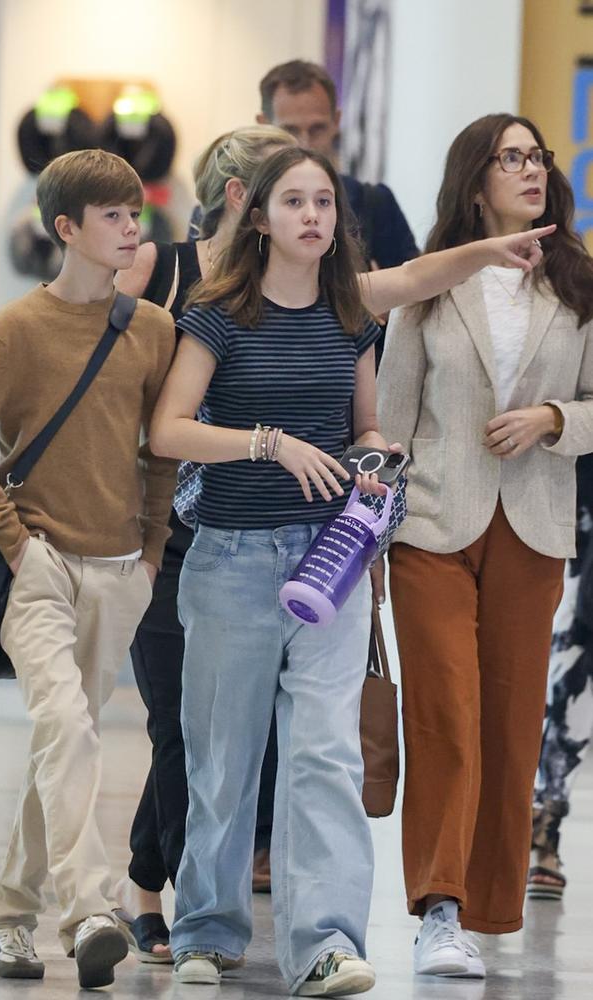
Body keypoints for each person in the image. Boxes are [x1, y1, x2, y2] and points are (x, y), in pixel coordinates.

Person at [149, 143, 549, 996]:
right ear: (257, 217)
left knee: (324, 755)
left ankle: (324, 942)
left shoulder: (349, 315)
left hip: (327, 563)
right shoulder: (219, 314)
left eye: (324, 203)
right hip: (229, 561)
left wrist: (376, 454)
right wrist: (269, 444)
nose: (313, 217)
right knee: (223, 758)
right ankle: (208, 931)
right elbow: (169, 431)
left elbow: (369, 408)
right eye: (293, 202)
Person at [0, 149, 177, 989]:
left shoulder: (150, 329)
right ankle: (89, 911)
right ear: (66, 228)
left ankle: (9, 920)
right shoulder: (15, 330)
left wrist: (150, 555)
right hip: (36, 567)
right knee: (69, 730)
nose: (131, 228)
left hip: (121, 573)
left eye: (136, 212)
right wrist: (14, 542)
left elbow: (160, 454)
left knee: (60, 748)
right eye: (113, 216)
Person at [376, 113, 593, 979]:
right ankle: (439, 908)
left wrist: (552, 420)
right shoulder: (432, 284)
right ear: (476, 184)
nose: (530, 169)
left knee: (509, 725)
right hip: (432, 523)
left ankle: (490, 906)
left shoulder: (578, 284)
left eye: (536, 156)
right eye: (511, 159)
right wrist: (369, 526)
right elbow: (391, 415)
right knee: (446, 718)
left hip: (533, 527)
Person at [113, 124, 296, 960]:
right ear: (238, 198)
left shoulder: (288, 284)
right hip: (161, 528)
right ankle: (161, 893)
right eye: (282, 192)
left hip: (245, 532)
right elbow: (112, 382)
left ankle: (163, 889)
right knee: (175, 724)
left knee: (217, 724)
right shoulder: (165, 269)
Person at [256, 58, 419, 269]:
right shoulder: (236, 207)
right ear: (263, 126)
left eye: (317, 129)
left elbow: (416, 295)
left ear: (336, 121)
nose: (304, 144)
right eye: (290, 131)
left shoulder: (375, 205)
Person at [529, 453, 593, 900]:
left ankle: (545, 818)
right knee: (566, 653)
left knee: (579, 667)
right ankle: (538, 818)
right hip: (566, 480)